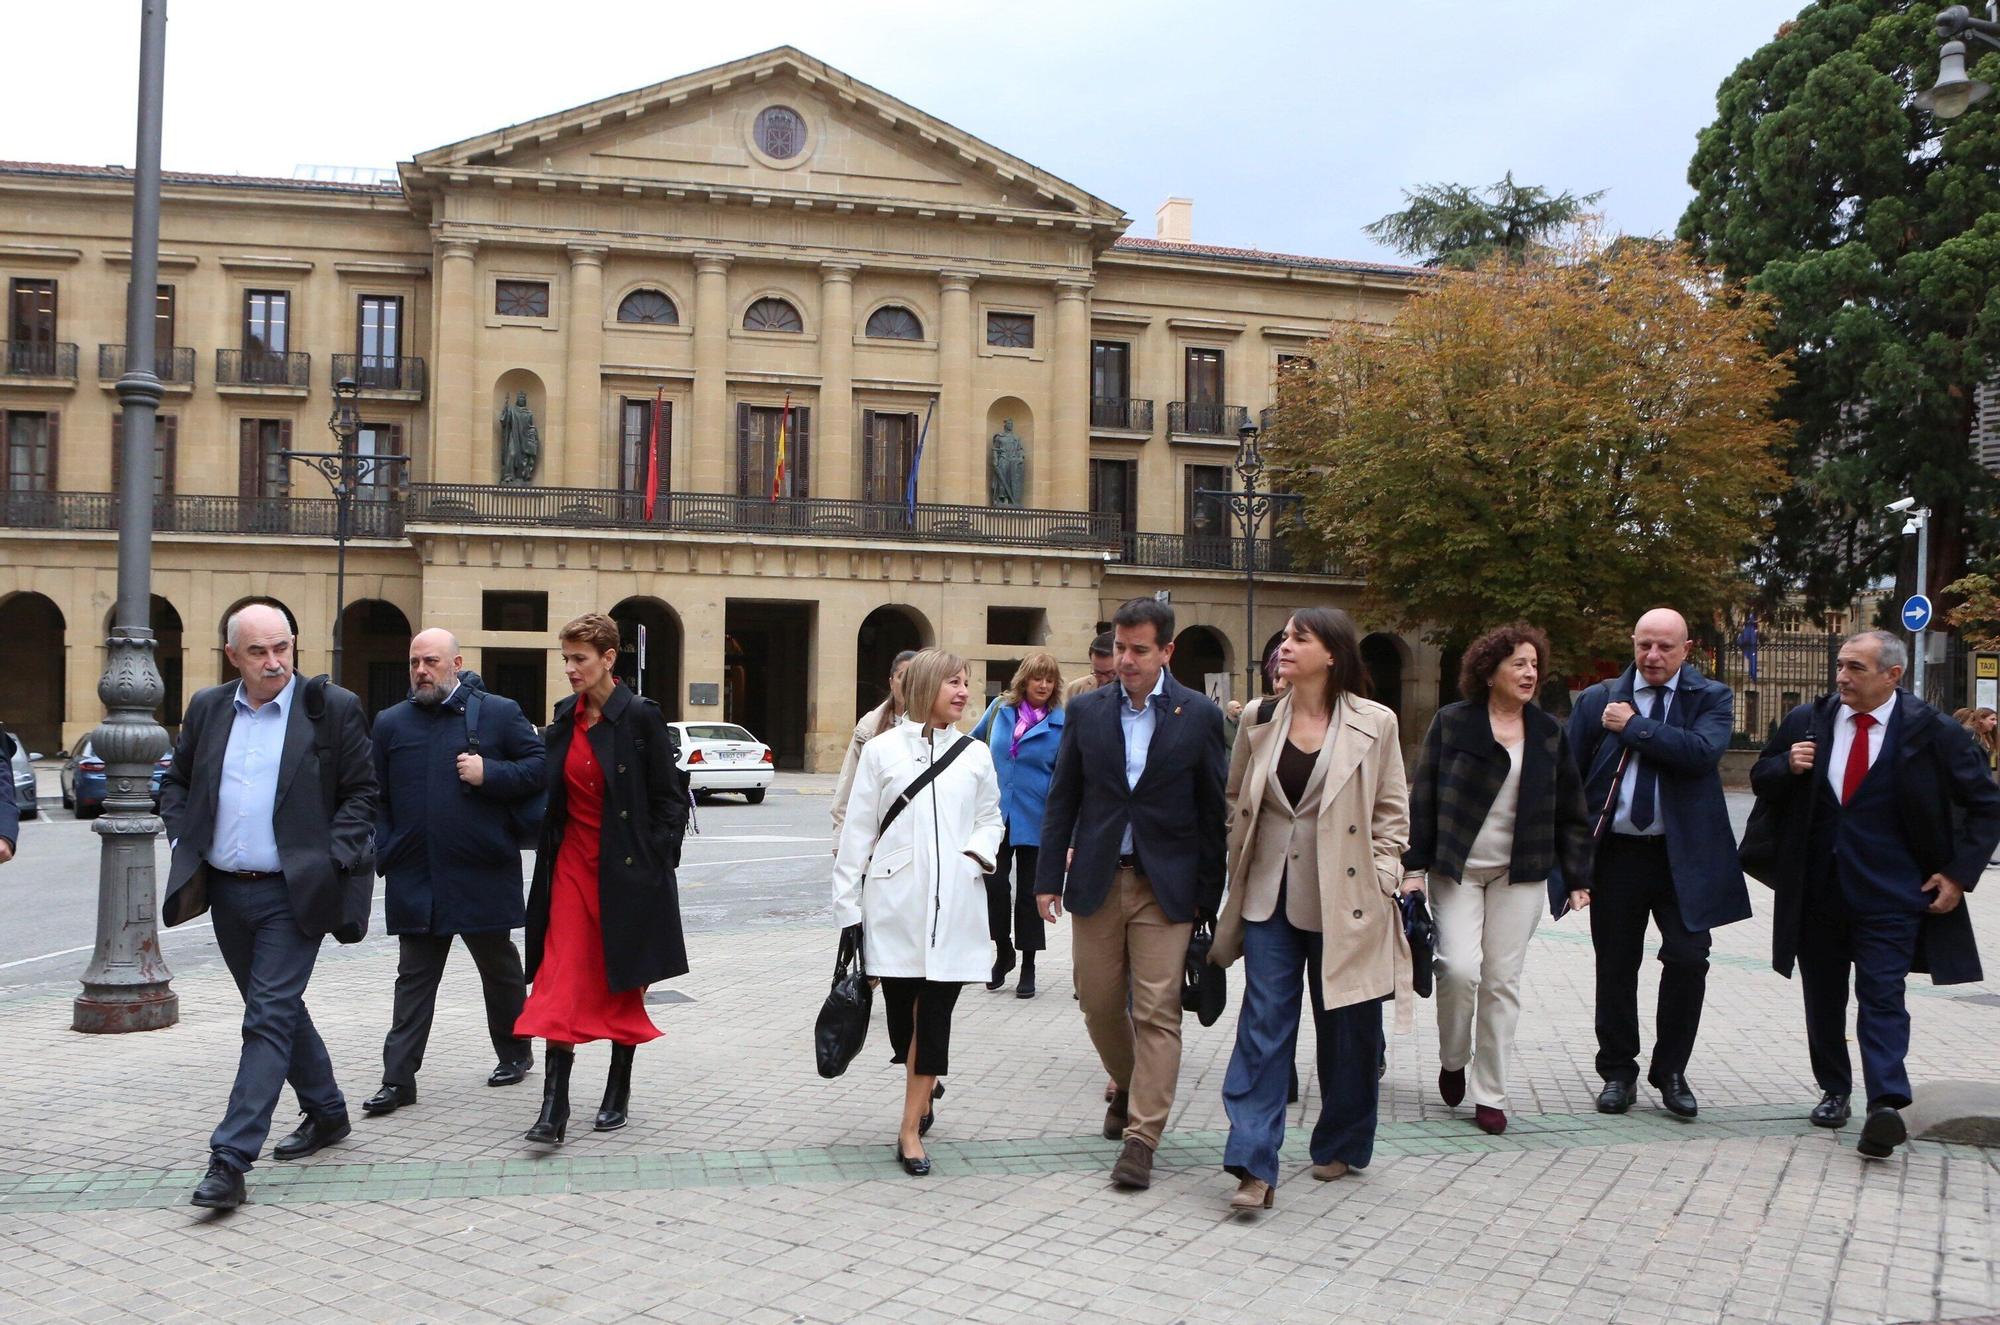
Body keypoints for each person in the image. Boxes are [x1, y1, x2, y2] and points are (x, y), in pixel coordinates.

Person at [159, 603, 378, 1211]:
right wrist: (185, 837)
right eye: (258, 652)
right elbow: (175, 783)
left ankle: (229, 1159)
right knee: (274, 1008)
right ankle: (328, 1112)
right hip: (228, 891)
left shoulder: (329, 708)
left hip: (295, 893)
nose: (273, 662)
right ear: (233, 656)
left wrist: (328, 858)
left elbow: (362, 793)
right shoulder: (207, 708)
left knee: (266, 1016)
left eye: (282, 647)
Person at [1747, 630, 2000, 1158]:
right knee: (1824, 995)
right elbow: (1761, 778)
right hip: (1819, 890)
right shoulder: (1808, 721)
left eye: (1855, 668)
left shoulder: (1930, 732)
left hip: (1892, 895)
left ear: (1892, 675)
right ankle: (1835, 1089)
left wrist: (1957, 875)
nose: (1841, 676)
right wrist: (1785, 765)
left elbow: (1985, 803)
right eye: (1840, 665)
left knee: (1883, 996)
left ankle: (1885, 1103)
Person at [1208, 609, 1411, 1211]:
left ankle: (1343, 1139)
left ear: (1332, 653)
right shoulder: (1259, 716)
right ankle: (1253, 1162)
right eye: (1285, 637)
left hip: (1347, 898)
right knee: (1264, 1027)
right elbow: (1235, 796)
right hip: (1269, 894)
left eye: (1300, 637)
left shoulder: (1377, 723)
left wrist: (1382, 877)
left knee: (1347, 1027)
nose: (1285, 646)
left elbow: (1391, 812)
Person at [1037, 596, 1227, 1192]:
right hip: (1096, 878)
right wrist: (1046, 879)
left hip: (1164, 886)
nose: (1125, 660)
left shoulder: (1197, 715)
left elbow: (1211, 811)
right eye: (1119, 648)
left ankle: (1142, 1138)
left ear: (1166, 651)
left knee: (1156, 1012)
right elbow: (1063, 796)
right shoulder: (1087, 710)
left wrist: (1207, 898)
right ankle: (1126, 1082)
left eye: (1139, 649)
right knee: (1097, 1003)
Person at [1403, 624, 1594, 1138]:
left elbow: (1573, 809)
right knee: (1460, 969)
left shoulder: (1550, 732)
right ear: (1490, 672)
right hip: (1457, 867)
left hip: (1522, 872)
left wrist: (1577, 876)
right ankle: (1451, 1057)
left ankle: (1491, 1094)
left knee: (1501, 983)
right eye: (1518, 664)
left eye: (1534, 665)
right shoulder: (1453, 723)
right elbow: (1422, 798)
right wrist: (1412, 871)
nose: (1530, 673)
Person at [1567, 607, 1750, 1120]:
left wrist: (1635, 728)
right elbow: (1571, 778)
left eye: (1665, 647)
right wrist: (1570, 861)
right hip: (1618, 856)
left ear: (1686, 649)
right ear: (1633, 641)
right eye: (1645, 644)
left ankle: (1671, 1071)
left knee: (1690, 958)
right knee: (1617, 964)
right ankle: (1617, 1072)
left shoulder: (1709, 697)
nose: (1653, 656)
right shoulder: (1599, 699)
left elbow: (1700, 754)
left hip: (1684, 859)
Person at [516, 613, 691, 1146]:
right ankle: (554, 1107)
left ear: (609, 659)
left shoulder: (639, 716)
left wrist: (657, 859)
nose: (569, 669)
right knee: (559, 979)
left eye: (579, 659)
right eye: (565, 658)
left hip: (625, 871)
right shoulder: (564, 715)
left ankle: (618, 1089)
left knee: (621, 977)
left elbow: (669, 799)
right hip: (568, 866)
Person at [830, 648, 1003, 1176]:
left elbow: (990, 816)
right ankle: (921, 1087)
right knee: (901, 1025)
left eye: (966, 682)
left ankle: (909, 1129)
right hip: (894, 906)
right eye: (954, 682)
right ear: (927, 686)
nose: (964, 692)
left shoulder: (975, 754)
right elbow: (857, 829)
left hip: (954, 906)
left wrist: (977, 854)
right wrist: (847, 910)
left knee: (934, 1019)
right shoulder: (882, 750)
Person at [363, 629, 546, 1118]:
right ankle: (398, 1080)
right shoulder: (390, 723)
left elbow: (539, 768)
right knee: (414, 979)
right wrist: (387, 846)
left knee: (499, 969)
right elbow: (373, 794)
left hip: (481, 869)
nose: (421, 671)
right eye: (414, 662)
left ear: (457, 663)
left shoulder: (499, 712)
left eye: (431, 661)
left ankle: (515, 1051)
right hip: (416, 875)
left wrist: (492, 774)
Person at [979, 652, 1065, 998]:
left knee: (1032, 895)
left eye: (1049, 680)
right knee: (994, 886)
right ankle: (1003, 950)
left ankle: (1028, 964)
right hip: (995, 815)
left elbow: (1066, 776)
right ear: (1024, 680)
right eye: (1037, 678)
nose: (1043, 685)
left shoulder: (1061, 723)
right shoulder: (1000, 710)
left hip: (1037, 818)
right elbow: (971, 745)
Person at [832, 650, 919, 851]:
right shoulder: (870, 727)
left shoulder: (936, 728)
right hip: (876, 842)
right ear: (891, 682)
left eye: (914, 678)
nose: (907, 684)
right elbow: (848, 787)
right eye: (901, 677)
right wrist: (840, 841)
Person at [1064, 631, 1117, 704]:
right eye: (1098, 673)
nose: (1104, 680)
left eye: (1111, 673)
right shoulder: (1075, 689)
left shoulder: (1135, 693)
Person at [1966, 707, 1999, 784]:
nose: (1995, 723)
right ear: (1981, 719)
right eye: (1992, 719)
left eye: (1996, 720)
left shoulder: (1988, 735)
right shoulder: (1970, 733)